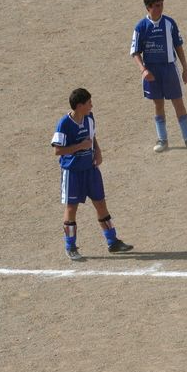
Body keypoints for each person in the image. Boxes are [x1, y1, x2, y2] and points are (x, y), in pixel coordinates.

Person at [50, 88, 133, 261]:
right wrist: (80, 146)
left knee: (101, 204)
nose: (91, 105)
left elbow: (92, 137)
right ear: (79, 105)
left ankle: (113, 241)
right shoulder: (64, 124)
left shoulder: (89, 118)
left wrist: (98, 151)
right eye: (89, 103)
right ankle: (70, 246)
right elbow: (57, 150)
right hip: (73, 173)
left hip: (91, 170)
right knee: (71, 208)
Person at [130, 0, 187, 153]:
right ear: (148, 7)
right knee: (158, 104)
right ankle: (162, 139)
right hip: (152, 71)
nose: (160, 8)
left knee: (178, 102)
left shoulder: (169, 23)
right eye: (157, 6)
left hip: (169, 69)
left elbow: (178, 46)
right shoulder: (140, 27)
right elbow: (135, 52)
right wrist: (143, 70)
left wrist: (185, 68)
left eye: (161, 5)